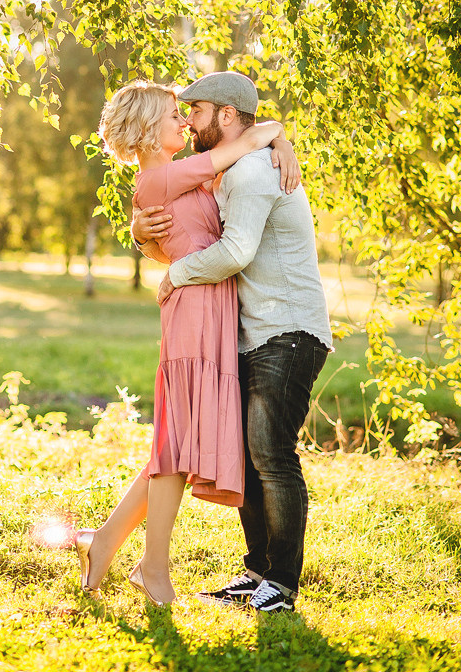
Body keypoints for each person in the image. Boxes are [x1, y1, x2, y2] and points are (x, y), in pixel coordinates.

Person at [74, 81, 299, 607]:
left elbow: (180, 241)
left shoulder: (175, 181)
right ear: (150, 128)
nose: (184, 123)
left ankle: (106, 543)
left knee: (175, 445)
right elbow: (241, 144)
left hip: (210, 313)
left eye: (186, 114)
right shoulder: (161, 179)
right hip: (194, 318)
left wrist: (279, 144)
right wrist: (274, 137)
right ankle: (152, 567)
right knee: (175, 449)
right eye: (175, 116)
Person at [133, 70, 332, 614]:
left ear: (224, 115)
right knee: (249, 456)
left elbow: (237, 250)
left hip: (288, 331)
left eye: (195, 111)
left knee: (272, 456)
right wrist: (142, 232)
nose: (188, 120)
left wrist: (176, 275)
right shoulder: (231, 169)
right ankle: (257, 572)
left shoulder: (250, 172)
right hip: (255, 333)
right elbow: (179, 217)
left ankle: (282, 586)